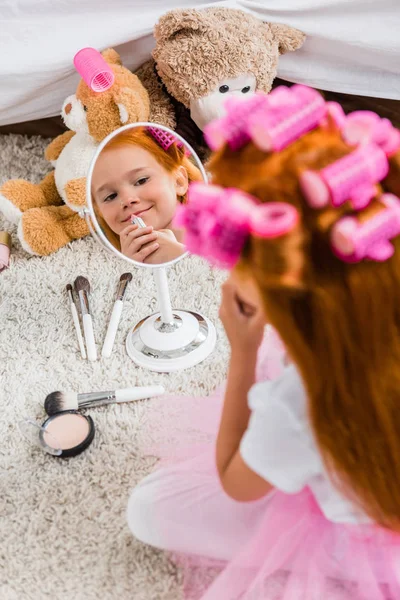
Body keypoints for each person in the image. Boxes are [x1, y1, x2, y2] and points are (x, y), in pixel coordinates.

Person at [126, 85, 400, 599]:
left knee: (148, 505)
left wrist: (245, 350)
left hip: (371, 528)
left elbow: (236, 481)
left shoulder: (302, 404)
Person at [91, 127, 203, 264]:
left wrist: (180, 256)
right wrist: (134, 269)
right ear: (98, 211)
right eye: (110, 196)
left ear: (179, 182)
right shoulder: (113, 265)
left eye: (141, 181)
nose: (127, 200)